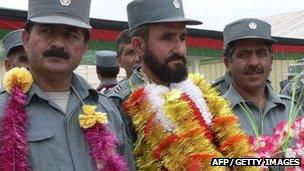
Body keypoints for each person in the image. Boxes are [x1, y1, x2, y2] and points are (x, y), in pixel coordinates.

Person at [109, 0, 256, 170]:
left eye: (182, 37)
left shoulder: (201, 93)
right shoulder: (120, 105)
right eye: (167, 38)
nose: (179, 49)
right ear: (139, 46)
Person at [0, 0, 135, 170]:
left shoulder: (107, 110)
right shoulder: (3, 110)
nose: (58, 43)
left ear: (84, 47)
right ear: (26, 40)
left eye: (71, 35)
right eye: (47, 31)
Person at [222, 18, 296, 136]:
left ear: (271, 61)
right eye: (243, 55)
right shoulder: (215, 114)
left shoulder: (290, 110)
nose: (254, 63)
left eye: (261, 54)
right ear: (228, 63)